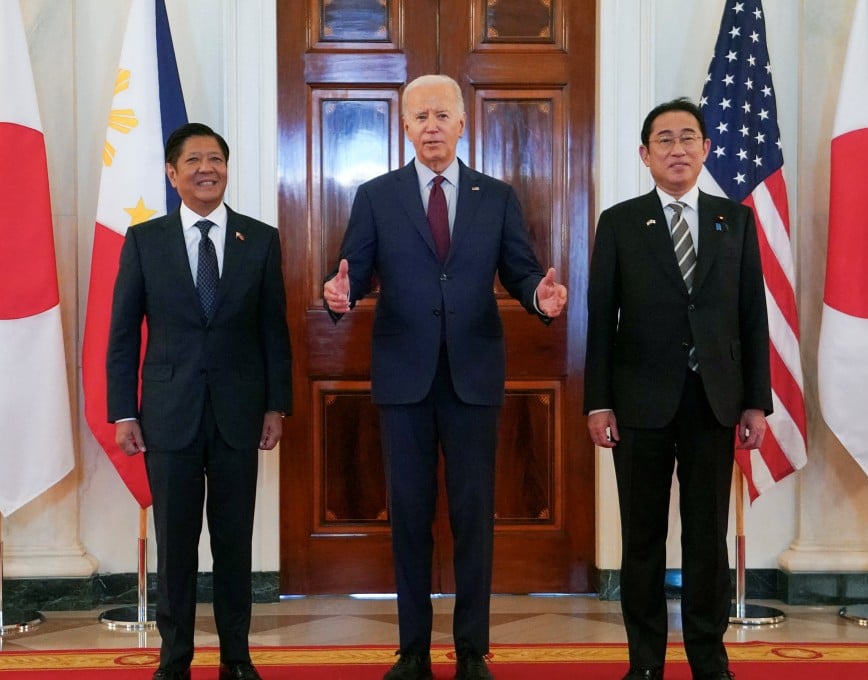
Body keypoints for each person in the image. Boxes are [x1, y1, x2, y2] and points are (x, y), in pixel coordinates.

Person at [323, 74, 567, 680]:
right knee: (407, 516)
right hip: (404, 379)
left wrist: (541, 296)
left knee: (473, 517)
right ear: (404, 128)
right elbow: (351, 273)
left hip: (473, 377)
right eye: (420, 117)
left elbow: (521, 272)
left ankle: (470, 649)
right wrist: (338, 295)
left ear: (463, 124)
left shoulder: (497, 196)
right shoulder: (377, 196)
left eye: (442, 115)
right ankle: (411, 650)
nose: (431, 127)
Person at [583, 98, 771, 680]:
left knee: (707, 541)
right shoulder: (618, 223)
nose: (677, 148)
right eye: (663, 139)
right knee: (641, 541)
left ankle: (709, 661)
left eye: (688, 137)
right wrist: (598, 401)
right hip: (639, 403)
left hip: (715, 403)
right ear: (645, 155)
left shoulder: (733, 221)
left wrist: (755, 401)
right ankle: (644, 663)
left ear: (706, 148)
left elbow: (752, 317)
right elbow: (600, 319)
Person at [107, 122, 292, 680]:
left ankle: (237, 656)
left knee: (235, 542)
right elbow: (121, 335)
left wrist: (275, 405)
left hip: (240, 414)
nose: (206, 168)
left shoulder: (259, 240)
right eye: (193, 160)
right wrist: (124, 410)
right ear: (173, 173)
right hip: (168, 414)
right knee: (178, 545)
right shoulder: (145, 240)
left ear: (227, 169)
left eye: (216, 158)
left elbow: (273, 332)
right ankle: (175, 658)